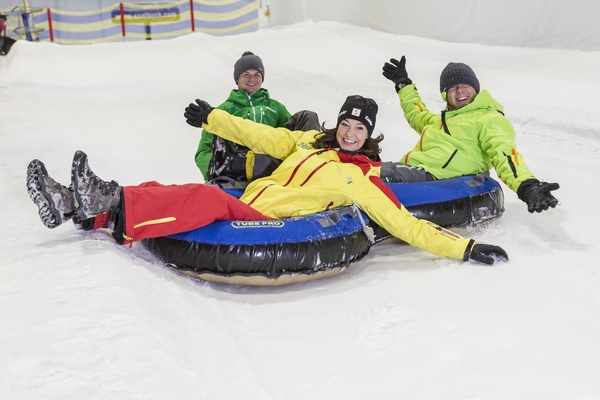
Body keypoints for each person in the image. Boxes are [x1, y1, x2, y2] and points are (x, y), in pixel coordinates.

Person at [26, 95, 508, 265]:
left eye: (358, 128)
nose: (349, 131)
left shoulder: (358, 180)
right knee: (175, 188)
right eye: (345, 123)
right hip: (254, 197)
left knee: (200, 197)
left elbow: (406, 225)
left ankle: (101, 198)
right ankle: (77, 203)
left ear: (369, 136)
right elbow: (261, 133)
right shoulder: (310, 144)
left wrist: (463, 249)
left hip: (268, 216)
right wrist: (212, 118)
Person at [381, 56, 560, 214]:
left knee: (378, 173)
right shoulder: (440, 121)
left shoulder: (488, 118)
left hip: (437, 177)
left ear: (475, 88)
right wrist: (403, 84)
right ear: (445, 94)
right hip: (415, 171)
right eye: (452, 88)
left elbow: (503, 151)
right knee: (364, 166)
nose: (460, 91)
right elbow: (416, 114)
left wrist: (526, 185)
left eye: (465, 85)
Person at [195, 51, 320, 185]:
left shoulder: (276, 107)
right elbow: (204, 151)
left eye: (257, 75)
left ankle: (313, 164)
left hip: (274, 161)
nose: (252, 79)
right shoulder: (223, 110)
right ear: (237, 78)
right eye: (246, 74)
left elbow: (293, 138)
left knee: (308, 116)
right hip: (240, 166)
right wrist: (213, 170)